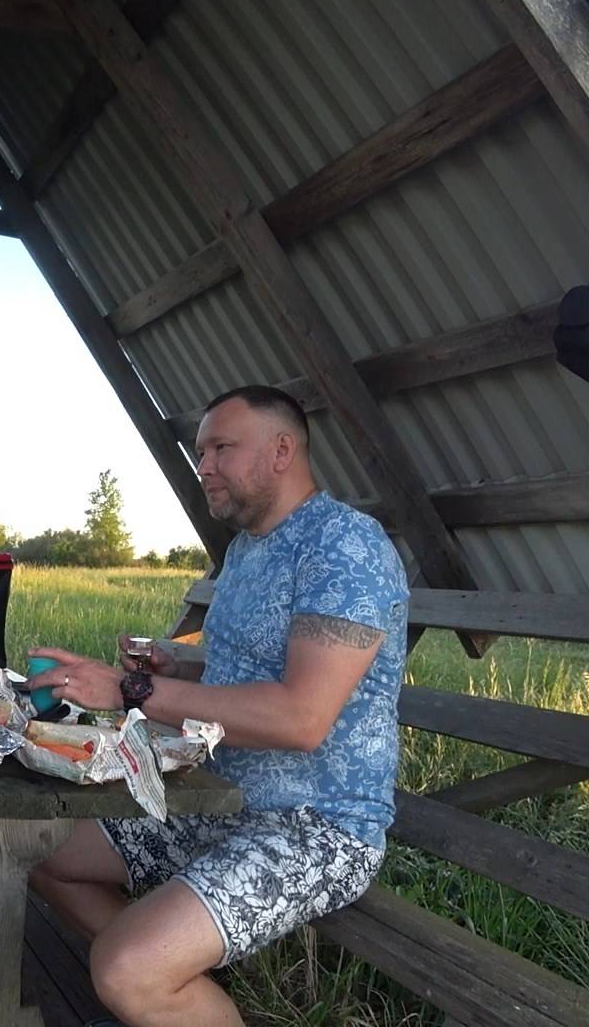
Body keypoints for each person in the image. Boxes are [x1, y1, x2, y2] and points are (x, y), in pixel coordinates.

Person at [27, 385, 408, 1027]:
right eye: (201, 452)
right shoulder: (248, 549)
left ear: (282, 451)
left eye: (221, 448)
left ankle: (148, 979)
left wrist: (131, 691)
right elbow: (249, 674)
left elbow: (300, 718)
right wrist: (178, 670)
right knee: (42, 854)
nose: (203, 465)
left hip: (315, 827)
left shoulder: (344, 547)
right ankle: (168, 996)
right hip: (218, 803)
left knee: (126, 968)